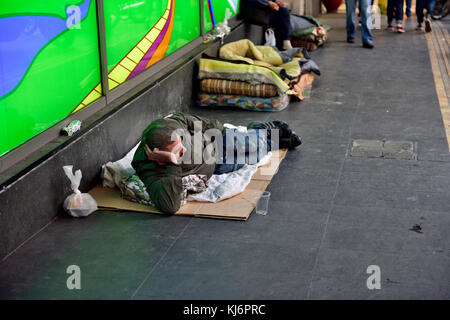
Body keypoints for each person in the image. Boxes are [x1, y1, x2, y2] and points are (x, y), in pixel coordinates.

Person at [131, 113, 301, 214]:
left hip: (216, 140)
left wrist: (221, 130)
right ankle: (274, 142)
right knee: (253, 157)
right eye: (177, 152)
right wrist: (173, 164)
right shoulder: (147, 167)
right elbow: (170, 207)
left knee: (249, 144)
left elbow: (191, 120)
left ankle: (262, 129)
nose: (182, 150)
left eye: (181, 144)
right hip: (217, 165)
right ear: (157, 155)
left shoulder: (167, 126)